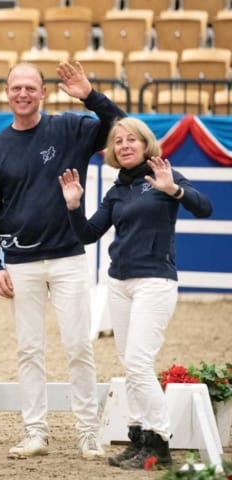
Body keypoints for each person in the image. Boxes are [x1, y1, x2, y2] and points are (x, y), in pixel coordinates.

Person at [0, 61, 126, 460]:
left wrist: (90, 95)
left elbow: (122, 127)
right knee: (28, 350)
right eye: (16, 88)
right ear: (7, 93)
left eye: (30, 87)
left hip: (68, 259)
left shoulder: (70, 128)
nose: (23, 94)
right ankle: (35, 431)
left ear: (43, 92)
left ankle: (86, 432)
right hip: (21, 263)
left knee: (79, 346)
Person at [58, 117, 213, 470]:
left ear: (146, 145)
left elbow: (204, 207)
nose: (125, 145)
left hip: (154, 282)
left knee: (140, 363)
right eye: (118, 141)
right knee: (131, 365)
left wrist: (173, 189)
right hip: (120, 284)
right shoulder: (117, 190)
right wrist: (72, 205)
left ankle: (159, 442)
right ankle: (140, 438)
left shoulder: (163, 176)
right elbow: (87, 233)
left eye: (132, 140)